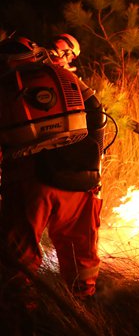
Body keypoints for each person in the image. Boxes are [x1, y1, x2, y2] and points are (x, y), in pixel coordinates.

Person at [0, 34, 107, 306]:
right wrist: (95, 163)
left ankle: (22, 319)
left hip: (33, 180)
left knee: (18, 259)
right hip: (81, 177)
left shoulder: (8, 84)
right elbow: (97, 113)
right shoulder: (60, 75)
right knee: (81, 254)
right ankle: (85, 309)